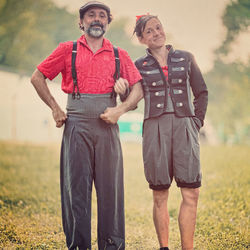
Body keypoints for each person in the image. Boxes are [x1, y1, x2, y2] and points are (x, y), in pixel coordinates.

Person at [30, 1, 143, 249]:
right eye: (91, 15)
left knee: (110, 192)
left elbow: (138, 88)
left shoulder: (119, 54)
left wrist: (120, 109)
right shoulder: (67, 50)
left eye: (102, 16)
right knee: (76, 192)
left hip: (107, 126)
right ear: (81, 22)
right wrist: (55, 108)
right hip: (76, 125)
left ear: (107, 23)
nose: (96, 19)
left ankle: (111, 246)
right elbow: (37, 77)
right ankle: (78, 245)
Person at [133, 15, 208, 250]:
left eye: (158, 27)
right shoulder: (138, 66)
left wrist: (196, 122)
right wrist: (122, 88)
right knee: (160, 194)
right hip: (155, 130)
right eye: (149, 31)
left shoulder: (186, 58)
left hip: (185, 128)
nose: (156, 33)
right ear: (141, 39)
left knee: (191, 193)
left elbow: (201, 92)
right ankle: (164, 247)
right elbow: (130, 99)